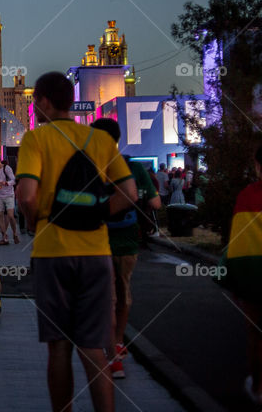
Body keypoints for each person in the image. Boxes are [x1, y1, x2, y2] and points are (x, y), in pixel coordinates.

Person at [17, 72, 137, 412]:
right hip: (96, 253)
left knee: (58, 348)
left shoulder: (36, 139)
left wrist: (36, 221)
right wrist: (97, 213)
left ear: (42, 101)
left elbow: (27, 197)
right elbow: (130, 193)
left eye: (34, 101)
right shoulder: (100, 140)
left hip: (52, 253)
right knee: (94, 348)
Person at [90, 118, 159, 379]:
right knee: (123, 291)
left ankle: (110, 354)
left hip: (97, 240)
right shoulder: (133, 167)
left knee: (106, 297)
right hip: (129, 239)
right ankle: (118, 342)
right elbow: (155, 203)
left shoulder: (91, 168)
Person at [222, 145, 262, 405]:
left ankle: (259, 387)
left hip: (254, 277)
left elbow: (238, 242)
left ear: (258, 166)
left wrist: (234, 281)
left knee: (256, 335)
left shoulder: (248, 196)